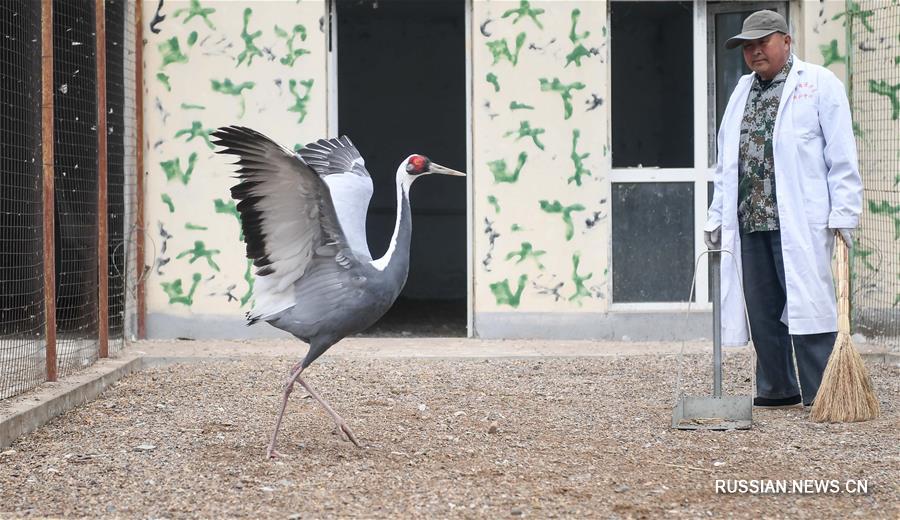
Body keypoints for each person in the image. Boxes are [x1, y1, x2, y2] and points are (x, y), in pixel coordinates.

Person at [704, 10, 862, 408]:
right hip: (750, 220)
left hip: (800, 220)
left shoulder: (819, 84)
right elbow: (728, 162)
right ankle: (777, 388)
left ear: (787, 41)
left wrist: (844, 213)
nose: (755, 51)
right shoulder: (741, 90)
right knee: (762, 310)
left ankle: (822, 391)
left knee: (810, 306)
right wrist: (716, 213)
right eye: (748, 46)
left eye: (763, 42)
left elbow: (841, 157)